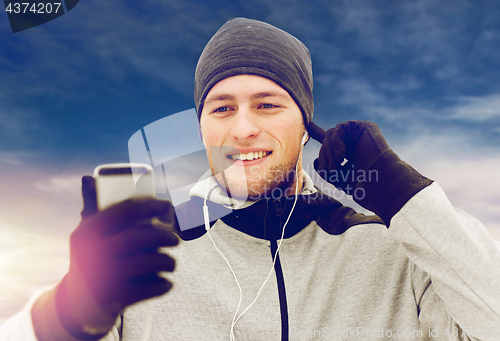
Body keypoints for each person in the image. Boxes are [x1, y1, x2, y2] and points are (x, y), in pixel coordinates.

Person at [1, 17, 499, 341]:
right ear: (202, 127)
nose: (243, 128)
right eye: (221, 108)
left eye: (267, 104)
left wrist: (408, 200)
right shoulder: (149, 251)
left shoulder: (394, 250)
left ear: (305, 125)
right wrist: (66, 314)